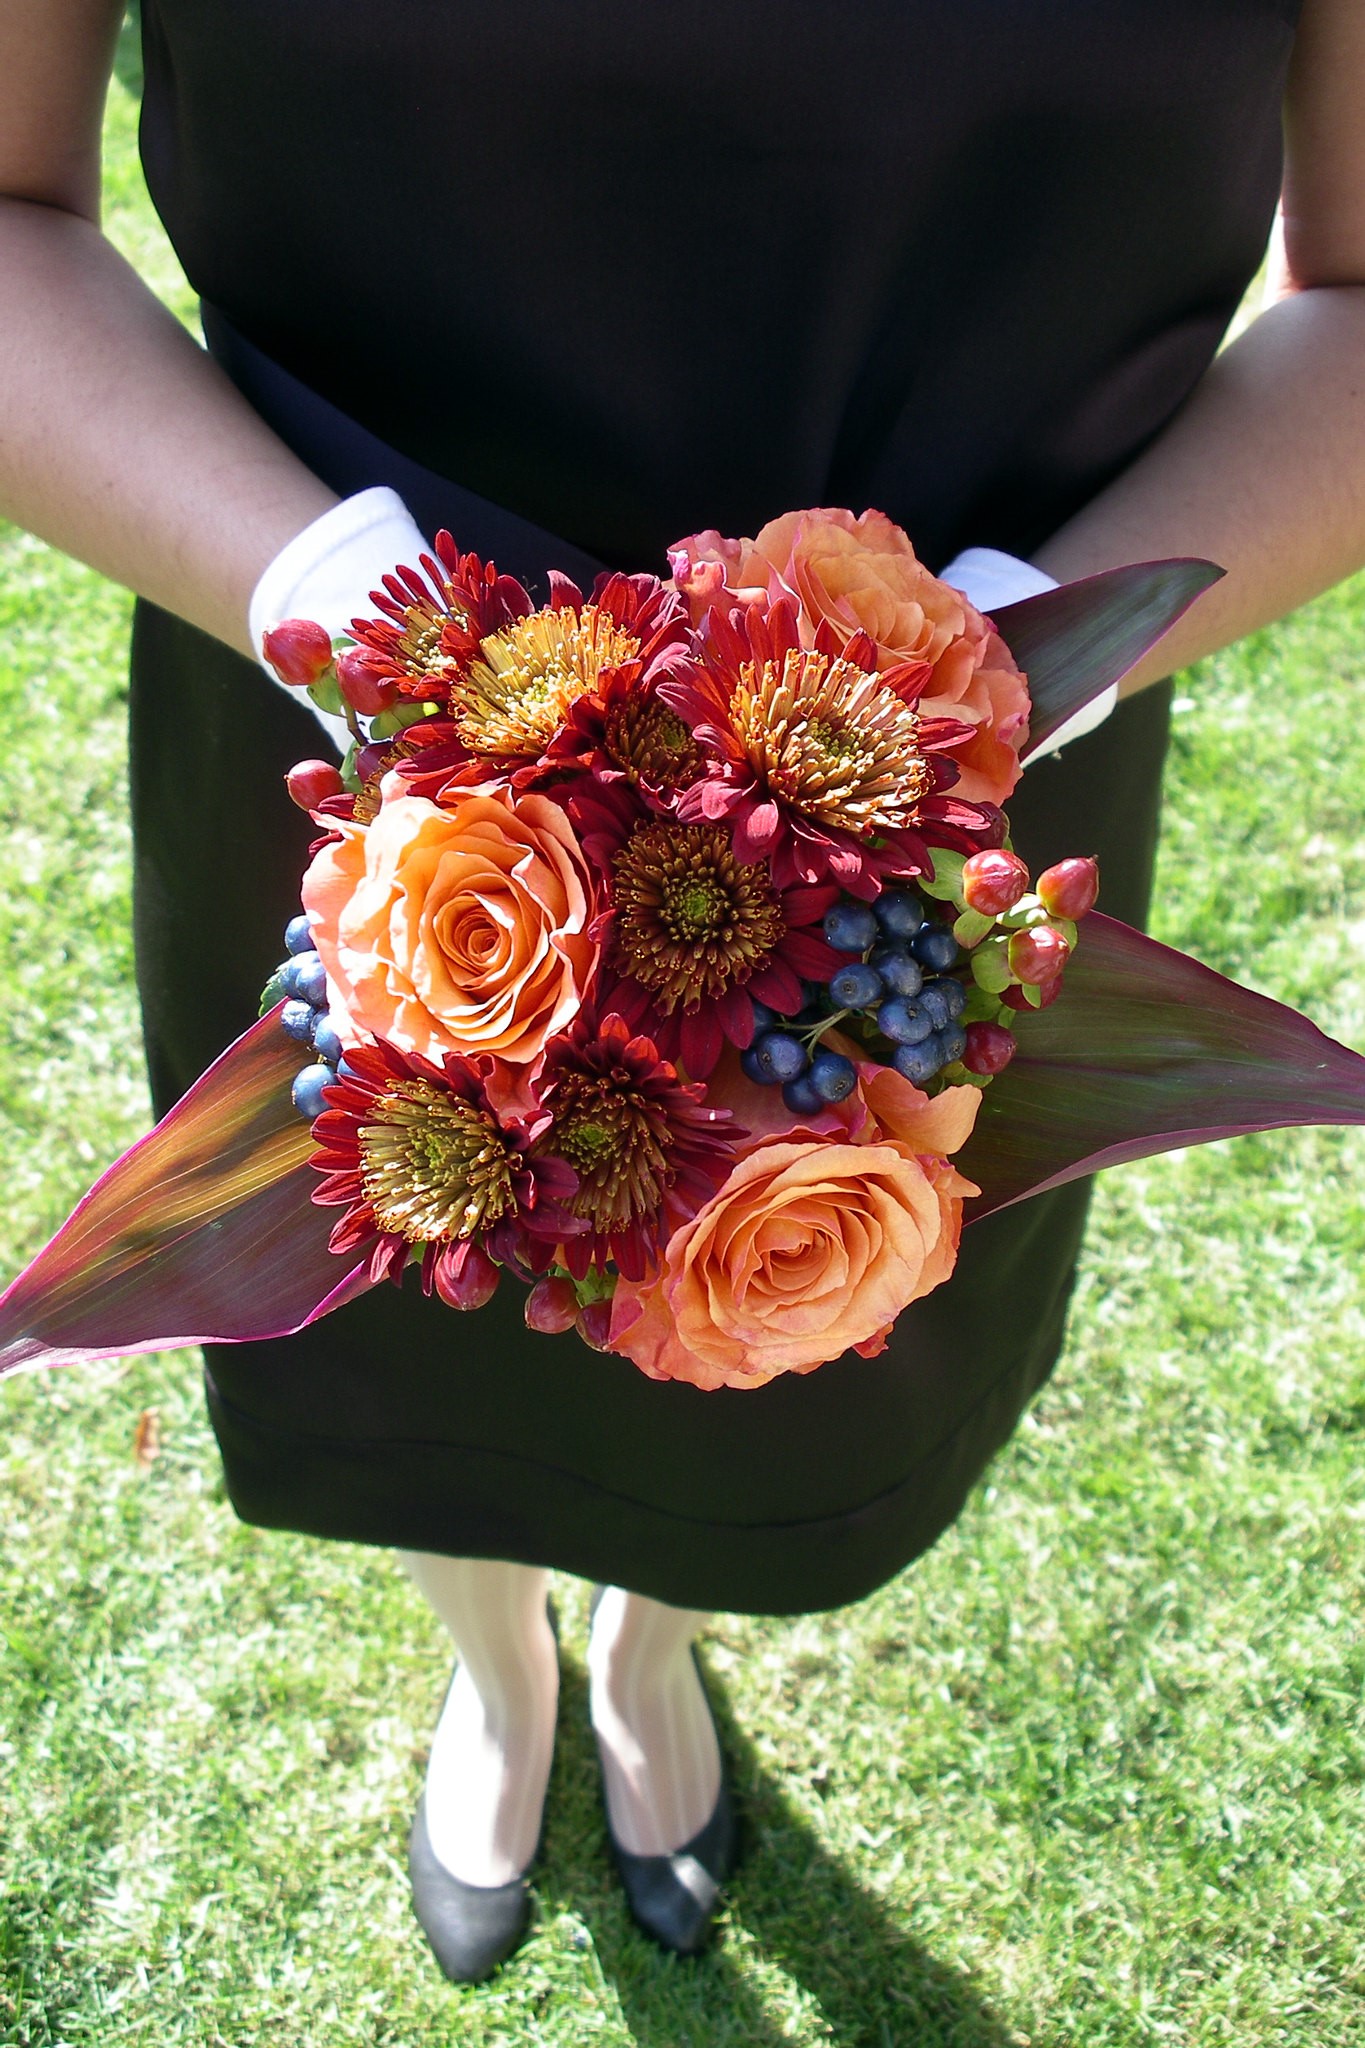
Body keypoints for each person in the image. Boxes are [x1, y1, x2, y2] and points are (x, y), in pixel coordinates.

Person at [2, 0, 1364, 1986]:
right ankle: (496, 1665)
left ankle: (651, 1650)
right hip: (372, 796)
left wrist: (990, 668)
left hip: (939, 848)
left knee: (774, 1327)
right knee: (425, 1309)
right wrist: (361, 618)